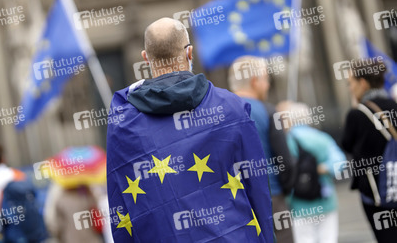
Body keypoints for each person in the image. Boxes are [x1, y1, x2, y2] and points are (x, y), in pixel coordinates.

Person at [107, 18, 274, 242]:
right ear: (190, 53)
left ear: (146, 58)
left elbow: (120, 204)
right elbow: (258, 186)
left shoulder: (123, 123)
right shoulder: (232, 107)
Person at [228, 56, 296, 243]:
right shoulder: (268, 111)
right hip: (271, 197)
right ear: (254, 81)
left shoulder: (219, 112)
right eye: (266, 79)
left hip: (234, 200)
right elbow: (286, 161)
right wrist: (285, 190)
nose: (267, 85)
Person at [341, 59, 397, 242]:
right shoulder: (394, 105)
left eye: (351, 83)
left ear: (362, 83)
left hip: (377, 194)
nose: (350, 88)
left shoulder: (357, 114)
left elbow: (346, 145)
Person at [277, 101, 346, 243]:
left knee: (304, 239)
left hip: (299, 204)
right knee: (328, 239)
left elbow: (285, 170)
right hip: (325, 200)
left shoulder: (287, 140)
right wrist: (323, 168)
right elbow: (340, 162)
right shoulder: (322, 138)